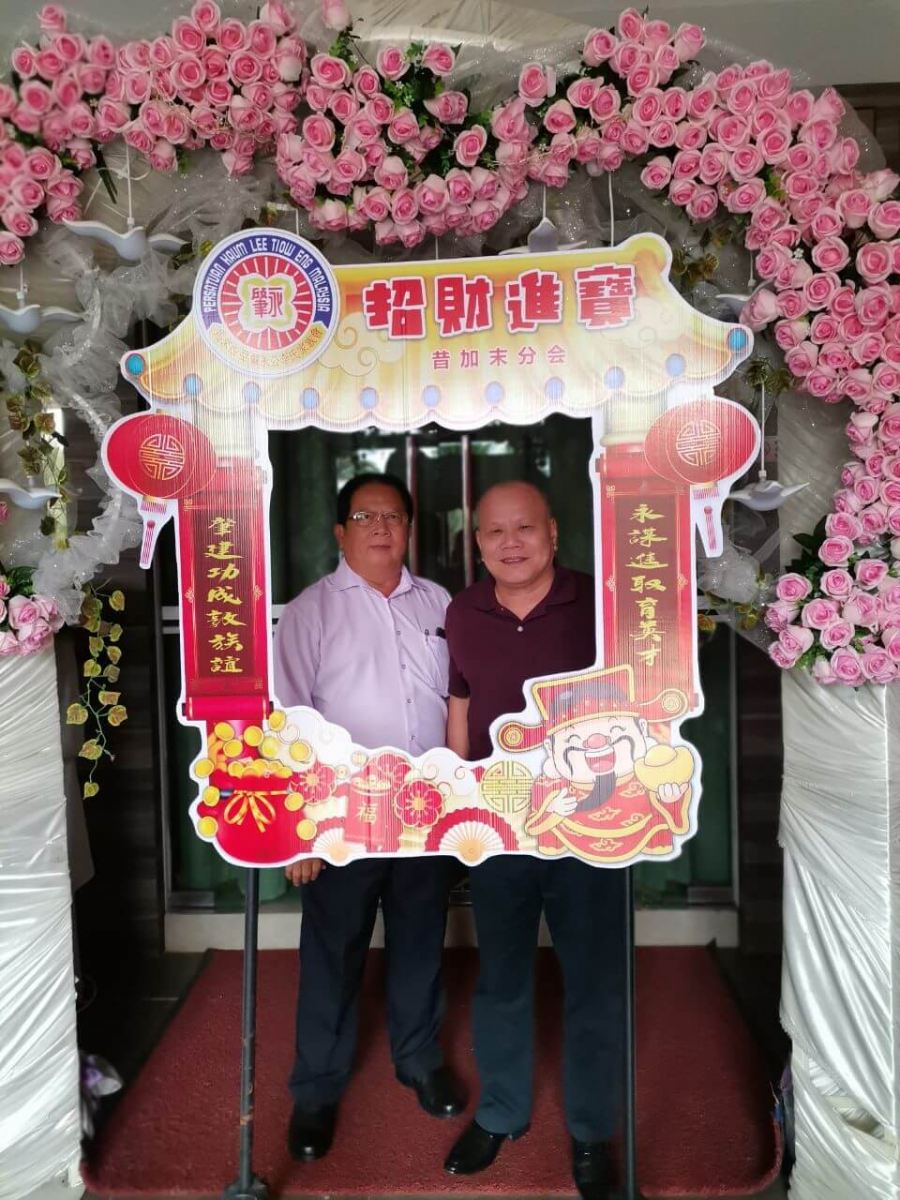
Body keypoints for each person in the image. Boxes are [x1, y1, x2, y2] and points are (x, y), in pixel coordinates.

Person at [273, 472, 466, 1162]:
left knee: (420, 940)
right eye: (364, 517)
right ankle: (317, 1089)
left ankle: (419, 1059)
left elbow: (459, 702)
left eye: (393, 516)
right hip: (340, 817)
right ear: (339, 532)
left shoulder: (440, 603)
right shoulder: (311, 611)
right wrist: (298, 830)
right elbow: (286, 721)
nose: (380, 527)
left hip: (425, 812)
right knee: (334, 950)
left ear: (410, 529)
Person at [442, 481, 625, 1200]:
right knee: (502, 975)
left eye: (524, 528)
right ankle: (501, 1111)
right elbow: (459, 706)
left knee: (594, 979)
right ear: (478, 542)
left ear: (553, 533)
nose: (510, 543)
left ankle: (591, 1131)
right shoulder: (464, 611)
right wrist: (459, 802)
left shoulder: (601, 602)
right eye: (495, 532)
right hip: (500, 820)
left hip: (589, 819)